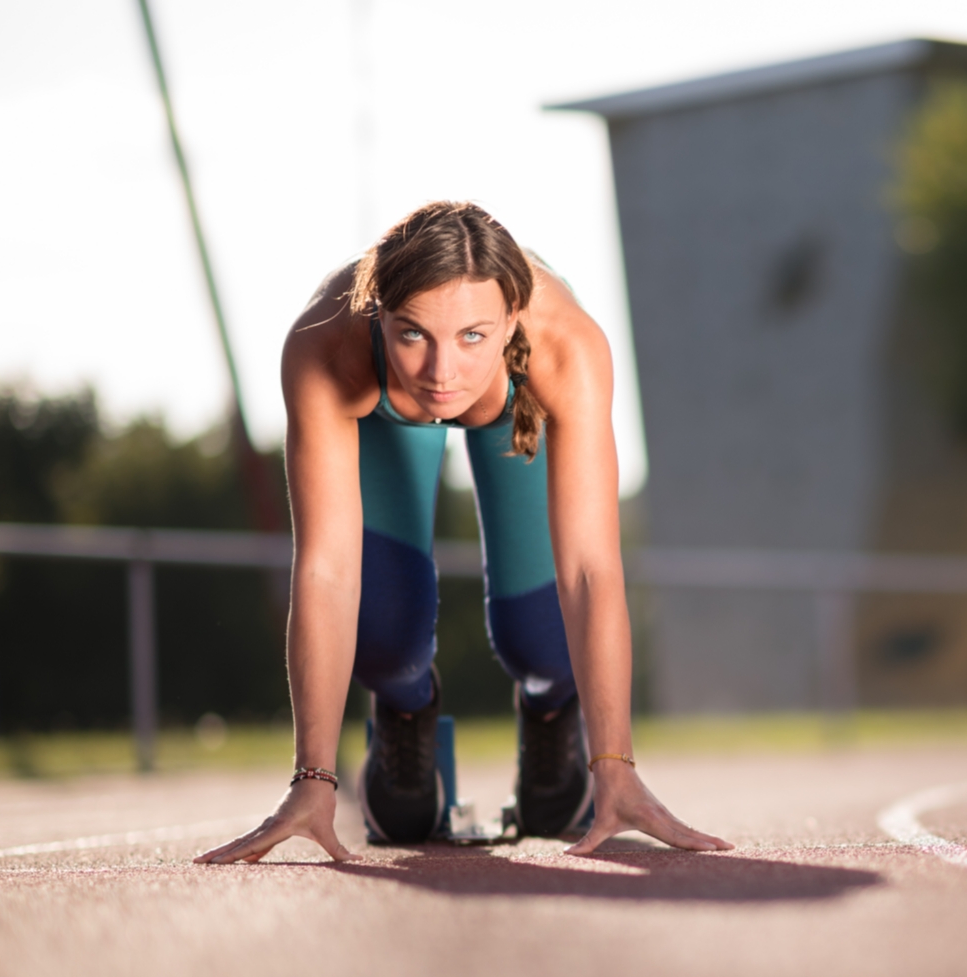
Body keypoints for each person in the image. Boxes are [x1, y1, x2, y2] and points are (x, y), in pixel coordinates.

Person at [197, 201, 729, 864]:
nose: (442, 372)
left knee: (542, 640)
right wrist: (313, 777)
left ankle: (548, 707)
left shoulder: (564, 344)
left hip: (516, 404)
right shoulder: (329, 347)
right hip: (383, 420)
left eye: (474, 336)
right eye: (413, 334)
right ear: (378, 314)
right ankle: (404, 709)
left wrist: (614, 764)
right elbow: (326, 570)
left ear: (512, 318)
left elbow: (591, 568)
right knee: (385, 638)